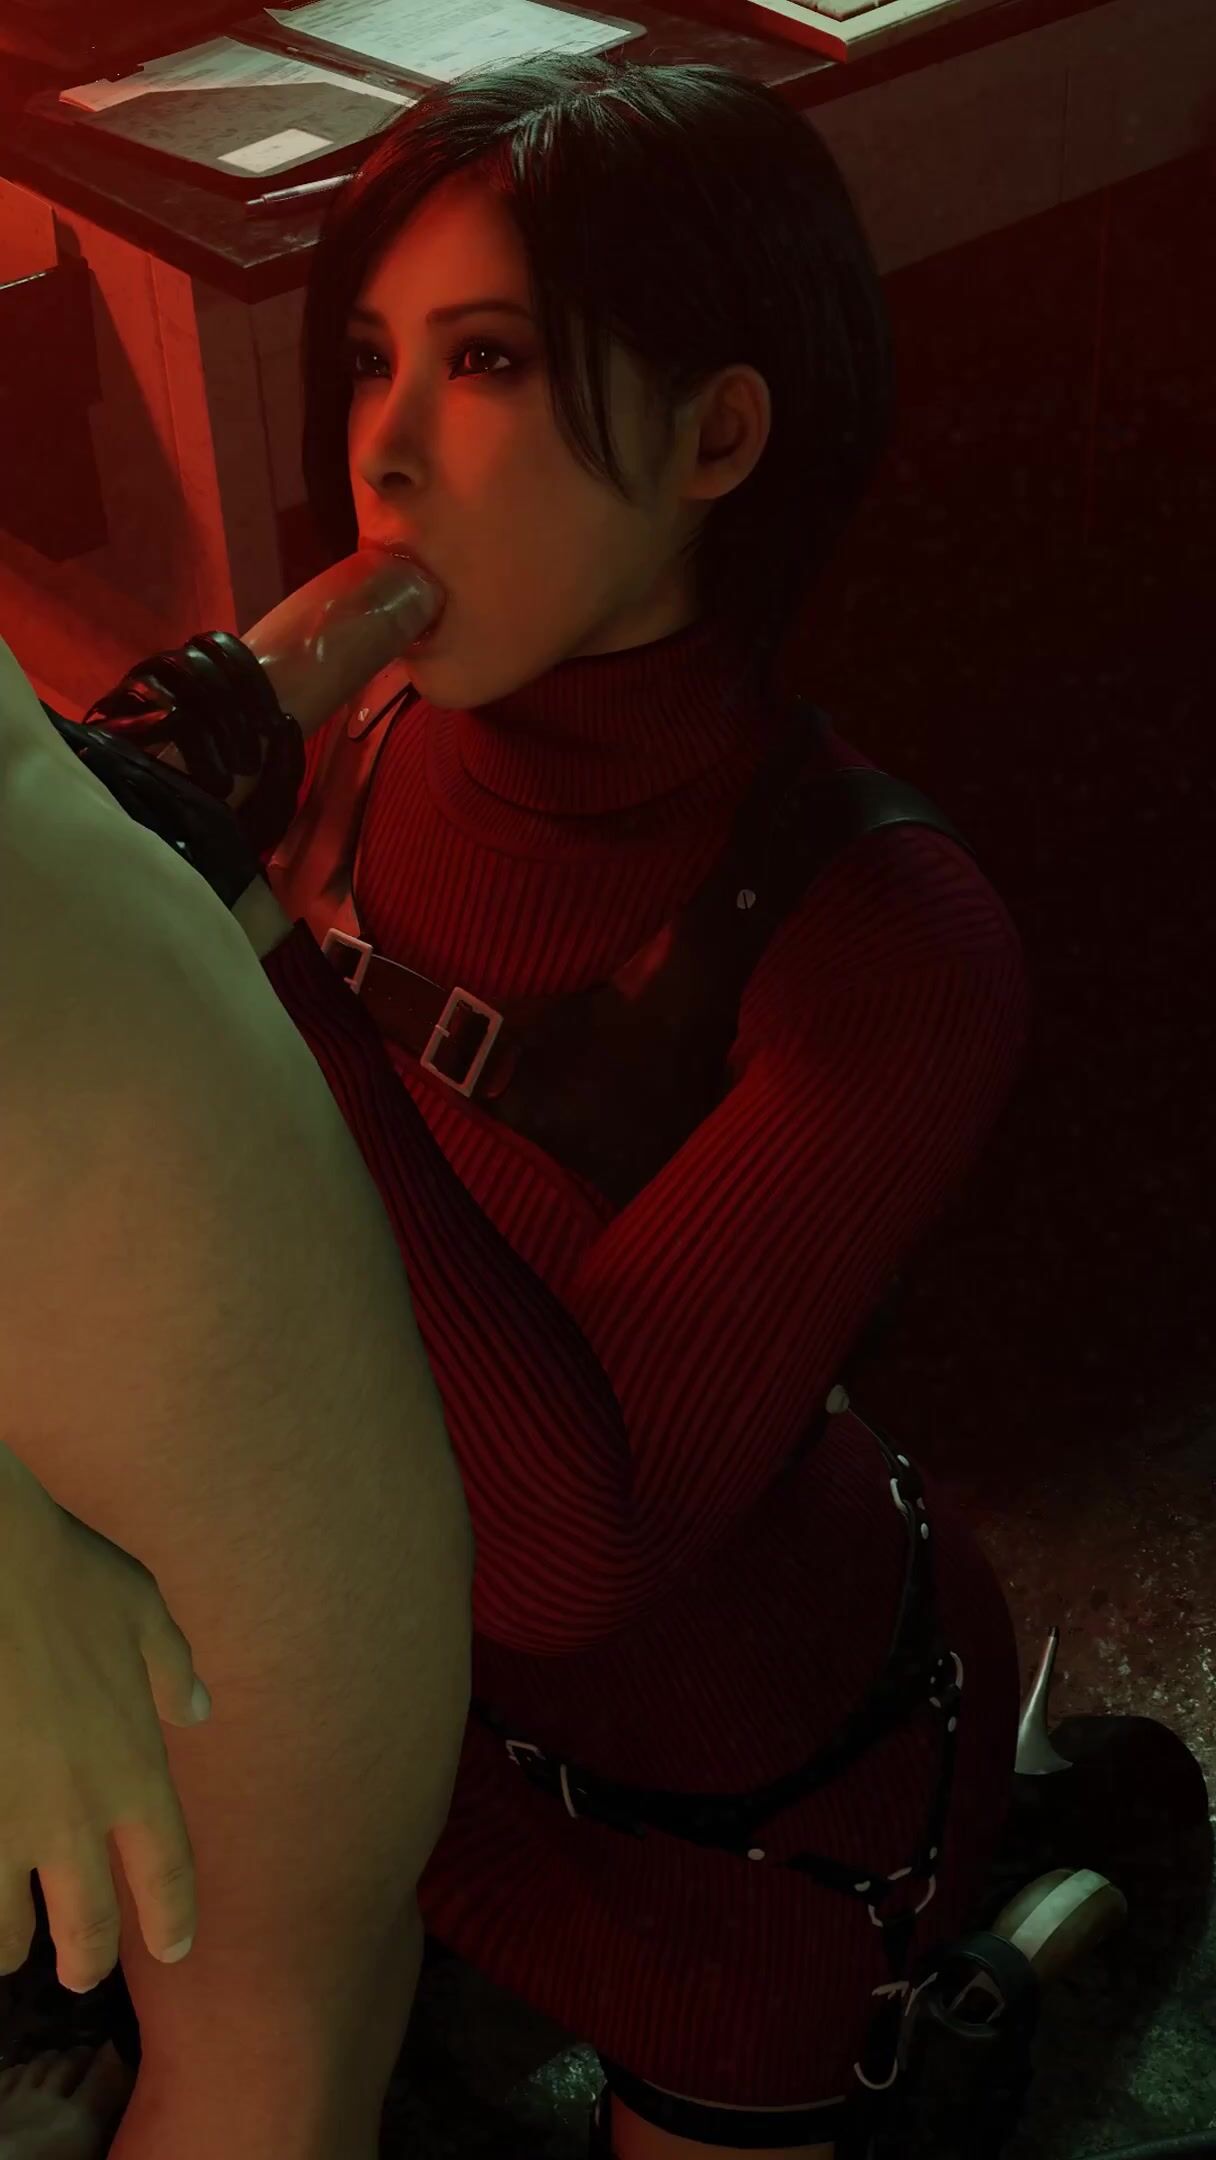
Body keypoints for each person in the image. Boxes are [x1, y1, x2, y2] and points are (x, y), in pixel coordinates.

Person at [2, 48, 1033, 2160]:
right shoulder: (367, 732)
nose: (382, 450)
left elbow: (570, 1551)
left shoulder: (896, 938)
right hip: (388, 1745)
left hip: (734, 1843)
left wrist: (231, 958)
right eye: (369, 359)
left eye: (484, 363)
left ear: (719, 435)